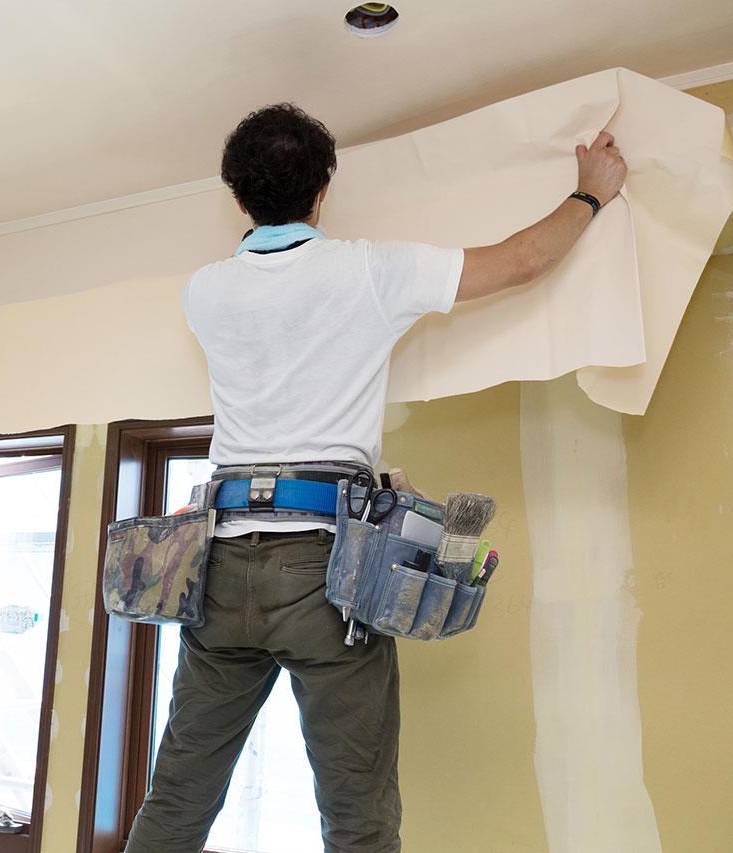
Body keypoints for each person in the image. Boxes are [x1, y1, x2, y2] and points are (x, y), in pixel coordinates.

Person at [124, 103, 627, 853]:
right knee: (357, 813)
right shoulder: (367, 269)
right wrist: (591, 192)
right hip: (323, 569)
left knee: (177, 798)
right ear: (324, 187)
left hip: (218, 566)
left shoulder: (204, 291)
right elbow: (521, 261)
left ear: (238, 197)